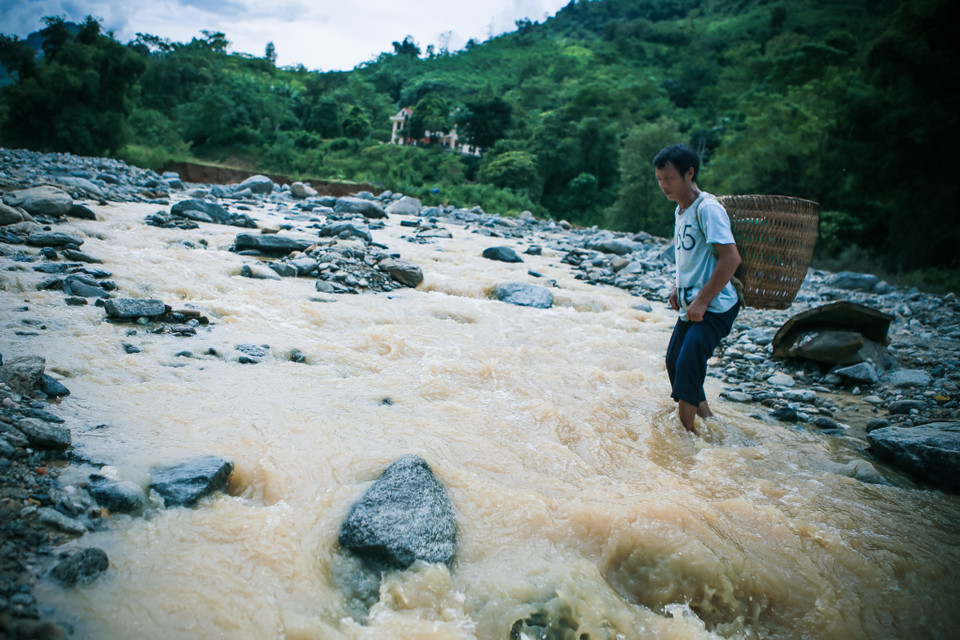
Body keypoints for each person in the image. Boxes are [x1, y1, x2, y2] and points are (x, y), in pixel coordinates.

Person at [654, 144, 742, 432]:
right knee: (673, 362)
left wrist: (703, 300)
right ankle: (709, 421)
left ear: (689, 173)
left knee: (690, 360)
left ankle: (686, 437)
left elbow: (731, 258)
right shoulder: (681, 211)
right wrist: (677, 289)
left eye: (669, 178)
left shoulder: (708, 209)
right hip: (693, 303)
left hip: (716, 305)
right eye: (659, 179)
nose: (664, 185)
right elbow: (690, 258)